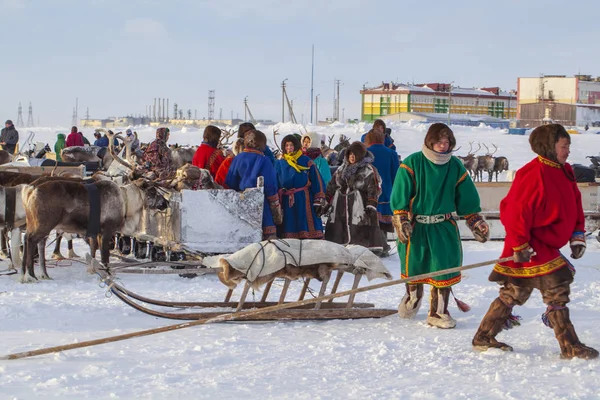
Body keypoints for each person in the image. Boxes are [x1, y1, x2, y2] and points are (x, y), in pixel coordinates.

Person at [472, 124, 598, 360]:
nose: (568, 151)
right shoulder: (532, 174)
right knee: (556, 289)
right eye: (563, 146)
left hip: (546, 245)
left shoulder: (564, 171)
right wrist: (520, 246)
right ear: (549, 147)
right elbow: (514, 212)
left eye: (568, 146)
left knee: (515, 292)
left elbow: (574, 206)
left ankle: (484, 336)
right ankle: (569, 345)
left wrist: (576, 235)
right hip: (530, 245)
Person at [390, 123, 489, 329]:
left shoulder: (455, 167)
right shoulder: (412, 163)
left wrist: (475, 221)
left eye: (447, 142)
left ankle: (438, 311)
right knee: (415, 265)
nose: (443, 146)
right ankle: (412, 299)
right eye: (439, 142)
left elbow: (467, 199)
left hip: (443, 226)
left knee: (443, 269)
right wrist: (401, 220)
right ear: (430, 141)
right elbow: (400, 195)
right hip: (416, 226)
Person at [325, 141, 386, 252]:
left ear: (360, 155)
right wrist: (326, 200)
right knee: (338, 232)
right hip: (340, 205)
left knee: (359, 230)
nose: (352, 157)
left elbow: (374, 188)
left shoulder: (368, 170)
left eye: (355, 154)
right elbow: (332, 185)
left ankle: (360, 251)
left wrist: (371, 204)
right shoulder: (341, 169)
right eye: (350, 154)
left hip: (360, 205)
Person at [225, 130, 282, 239]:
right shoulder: (264, 160)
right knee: (267, 242)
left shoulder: (238, 158)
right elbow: (270, 185)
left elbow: (230, 181)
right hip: (261, 203)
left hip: (241, 202)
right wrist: (275, 206)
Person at [275, 134, 326, 239]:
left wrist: (318, 200)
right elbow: (275, 181)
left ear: (296, 146)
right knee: (288, 227)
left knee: (305, 224)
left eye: (291, 145)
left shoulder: (305, 161)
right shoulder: (279, 163)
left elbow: (317, 180)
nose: (289, 148)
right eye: (287, 145)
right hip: (286, 200)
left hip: (304, 199)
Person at [365, 129, 400, 254]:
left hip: (369, 191)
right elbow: (396, 174)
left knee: (371, 219)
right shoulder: (391, 153)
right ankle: (383, 245)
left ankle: (377, 246)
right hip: (387, 190)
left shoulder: (366, 152)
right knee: (383, 220)